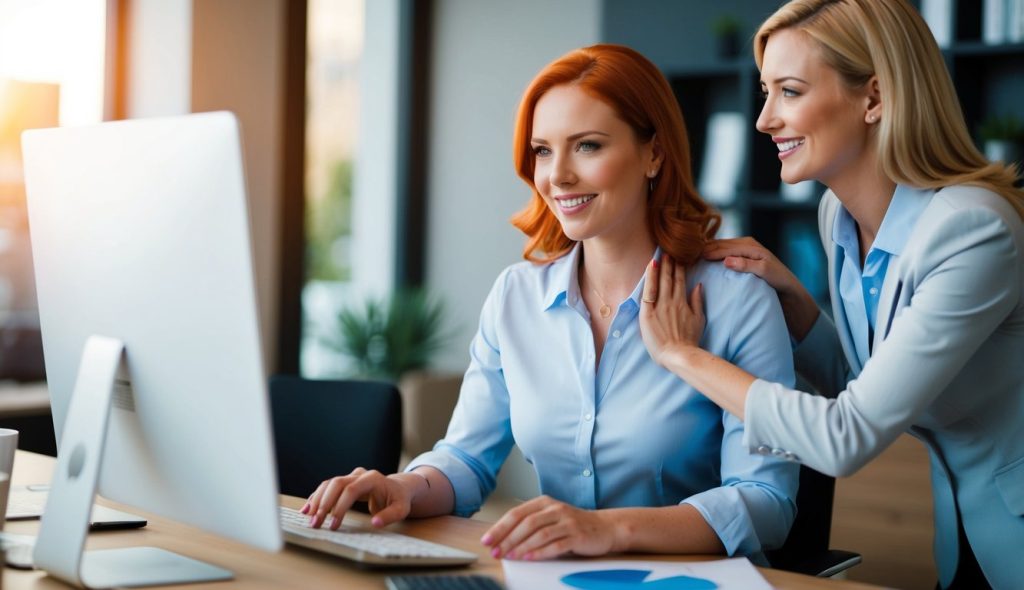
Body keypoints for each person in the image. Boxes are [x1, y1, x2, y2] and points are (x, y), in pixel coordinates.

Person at [302, 44, 800, 563]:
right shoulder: (516, 296)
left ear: (654, 153)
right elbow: (467, 458)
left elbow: (766, 501)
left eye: (587, 146)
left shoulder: (738, 300)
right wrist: (405, 487)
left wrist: (607, 529)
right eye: (543, 150)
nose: (557, 175)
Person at [638, 1, 1024, 588]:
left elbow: (847, 436)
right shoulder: (837, 215)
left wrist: (682, 355)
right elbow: (871, 378)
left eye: (788, 92)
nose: (764, 119)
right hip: (964, 533)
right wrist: (797, 304)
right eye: (766, 91)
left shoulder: (974, 231)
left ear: (874, 98)